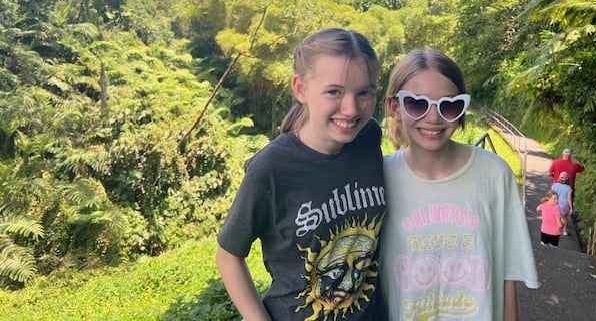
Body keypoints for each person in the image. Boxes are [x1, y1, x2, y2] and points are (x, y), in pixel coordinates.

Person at [216, 28, 386, 321]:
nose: (352, 108)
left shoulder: (368, 137)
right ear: (301, 89)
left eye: (364, 93)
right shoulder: (270, 169)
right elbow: (228, 255)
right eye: (334, 91)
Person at [380, 48, 539, 321]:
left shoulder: (494, 174)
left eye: (448, 105)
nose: (433, 117)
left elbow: (506, 275)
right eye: (417, 103)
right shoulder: (378, 179)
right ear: (395, 107)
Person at [551, 172, 574, 236]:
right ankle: (564, 231)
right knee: (564, 217)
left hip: (556, 203)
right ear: (567, 179)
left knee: (556, 217)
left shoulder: (554, 186)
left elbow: (551, 195)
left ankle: (556, 229)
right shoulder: (569, 188)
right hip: (565, 205)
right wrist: (571, 208)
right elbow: (569, 199)